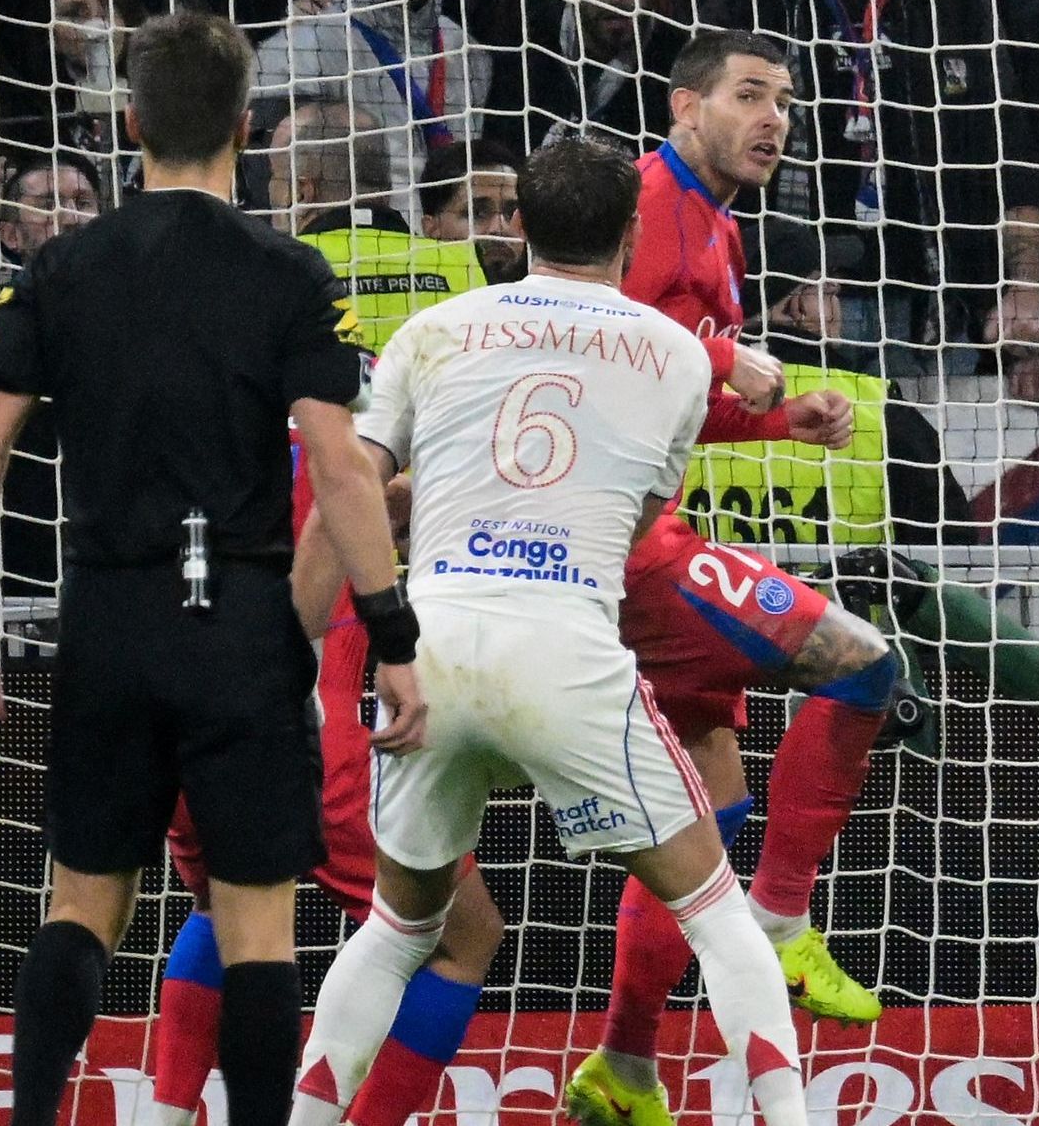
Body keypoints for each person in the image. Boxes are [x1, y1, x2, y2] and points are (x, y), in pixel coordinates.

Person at [0, 14, 423, 1126]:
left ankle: (34, 1116)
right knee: (257, 918)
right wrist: (391, 638)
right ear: (245, 128)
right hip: (241, 619)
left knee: (81, 899)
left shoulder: (62, 264)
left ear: (130, 123)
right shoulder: (288, 270)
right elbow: (340, 468)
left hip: (106, 608)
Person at [293, 141, 819, 1126]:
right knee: (716, 915)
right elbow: (643, 507)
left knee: (398, 928)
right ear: (629, 233)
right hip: (565, 648)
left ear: (517, 225)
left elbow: (350, 486)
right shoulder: (671, 356)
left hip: (433, 646)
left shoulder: (431, 331)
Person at [561, 37, 905, 1126]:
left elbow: (673, 395)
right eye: (749, 95)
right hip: (619, 543)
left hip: (628, 531)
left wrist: (776, 413)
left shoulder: (721, 221)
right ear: (684, 106)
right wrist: (723, 363)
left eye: (786, 102)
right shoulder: (651, 198)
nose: (774, 118)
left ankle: (623, 1065)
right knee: (863, 665)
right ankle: (787, 921)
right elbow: (595, 333)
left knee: (704, 811)